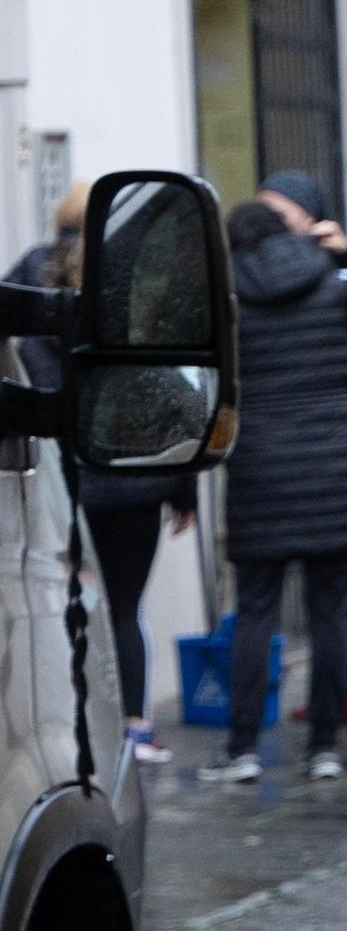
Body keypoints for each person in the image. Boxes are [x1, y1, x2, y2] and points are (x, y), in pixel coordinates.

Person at [209, 171, 347, 784]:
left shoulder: (229, 295)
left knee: (256, 613)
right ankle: (323, 747)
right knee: (332, 612)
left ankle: (243, 748)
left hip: (263, 473)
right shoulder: (335, 278)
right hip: (336, 469)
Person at [9, 182, 189, 767]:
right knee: (125, 604)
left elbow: (31, 362)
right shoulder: (135, 276)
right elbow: (168, 382)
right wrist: (183, 481)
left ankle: (76, 724)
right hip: (136, 470)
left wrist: (57, 417)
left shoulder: (31, 272)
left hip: (69, 469)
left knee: (66, 601)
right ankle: (134, 723)